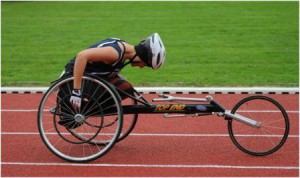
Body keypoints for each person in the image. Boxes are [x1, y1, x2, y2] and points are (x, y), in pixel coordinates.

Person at [62, 33, 166, 109]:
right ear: (142, 57)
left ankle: (89, 109)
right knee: (114, 90)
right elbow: (81, 56)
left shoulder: (123, 52)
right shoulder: (114, 53)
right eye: (145, 64)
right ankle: (82, 109)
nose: (142, 67)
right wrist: (76, 90)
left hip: (90, 79)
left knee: (126, 88)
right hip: (71, 80)